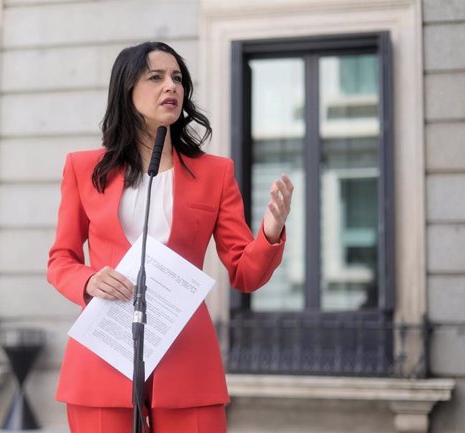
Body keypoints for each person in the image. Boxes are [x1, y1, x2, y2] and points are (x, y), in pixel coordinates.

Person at [47, 41, 293, 433]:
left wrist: (270, 232)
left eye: (177, 78)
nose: (171, 87)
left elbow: (246, 273)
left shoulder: (215, 173)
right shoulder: (83, 169)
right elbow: (60, 259)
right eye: (156, 77)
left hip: (186, 358)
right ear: (127, 90)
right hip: (103, 354)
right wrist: (89, 280)